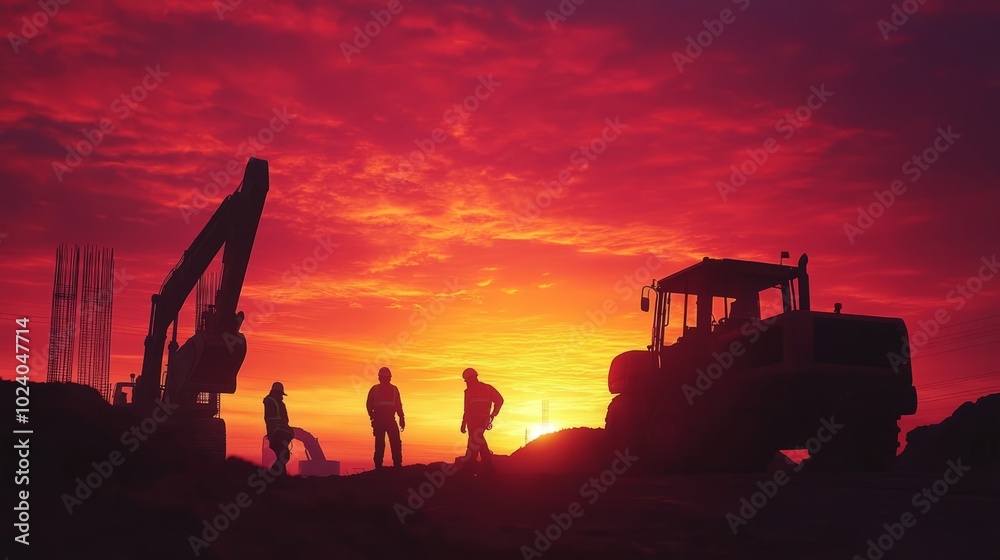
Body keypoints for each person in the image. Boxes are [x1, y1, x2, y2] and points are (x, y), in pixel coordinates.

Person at [460, 367, 503, 472]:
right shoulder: (487, 388)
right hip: (479, 420)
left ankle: (483, 465)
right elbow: (499, 400)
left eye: (466, 380)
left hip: (476, 420)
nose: (466, 382)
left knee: (476, 440)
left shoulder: (470, 391)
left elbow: (467, 409)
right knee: (476, 440)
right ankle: (476, 464)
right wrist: (493, 414)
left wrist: (464, 423)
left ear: (470, 379)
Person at [367, 367, 405, 469]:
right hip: (384, 420)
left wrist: (401, 418)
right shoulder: (390, 389)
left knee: (389, 443)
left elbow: (369, 405)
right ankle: (391, 465)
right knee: (388, 443)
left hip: (385, 419)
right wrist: (401, 418)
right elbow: (398, 406)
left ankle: (389, 465)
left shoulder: (392, 389)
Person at [263, 381, 293, 476]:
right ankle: (272, 475)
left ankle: (280, 477)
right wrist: (279, 428)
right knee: (283, 456)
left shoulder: (279, 403)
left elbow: (284, 419)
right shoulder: (270, 401)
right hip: (276, 434)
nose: (282, 396)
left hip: (281, 433)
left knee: (283, 457)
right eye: (280, 394)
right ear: (276, 392)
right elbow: (271, 419)